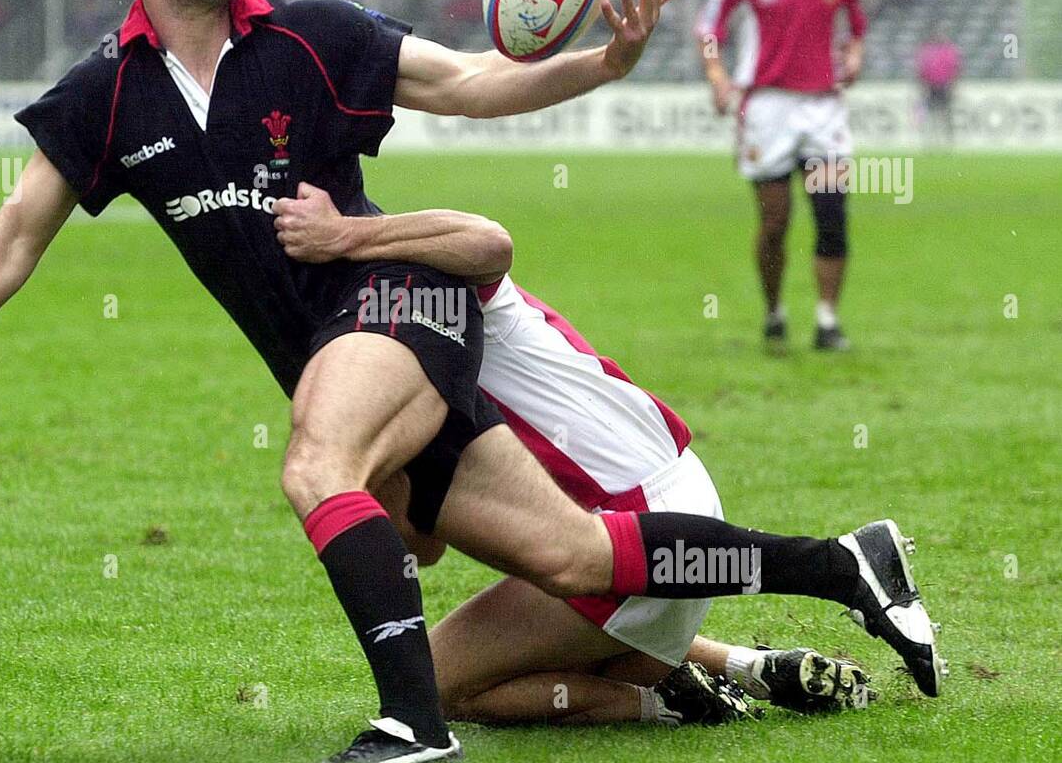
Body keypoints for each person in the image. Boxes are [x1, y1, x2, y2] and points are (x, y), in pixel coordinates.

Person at [0, 0, 936, 763]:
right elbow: (16, 230)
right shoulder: (107, 93)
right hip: (328, 346)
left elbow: (476, 81)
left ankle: (410, 728)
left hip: (397, 296)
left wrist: (603, 63)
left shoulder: (314, 37)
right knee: (570, 553)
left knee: (316, 465)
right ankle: (833, 564)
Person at [273, 188, 911, 727]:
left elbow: (490, 241)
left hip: (636, 533)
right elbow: (429, 546)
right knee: (570, 648)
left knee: (435, 685)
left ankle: (665, 704)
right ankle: (745, 664)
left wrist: (342, 237)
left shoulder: (413, 303)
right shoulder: (424, 305)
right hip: (680, 507)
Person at [695, 0, 866, 352]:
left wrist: (853, 58)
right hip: (766, 108)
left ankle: (828, 321)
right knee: (775, 222)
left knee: (831, 217)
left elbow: (856, 33)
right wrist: (716, 74)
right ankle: (774, 312)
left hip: (823, 110)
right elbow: (709, 27)